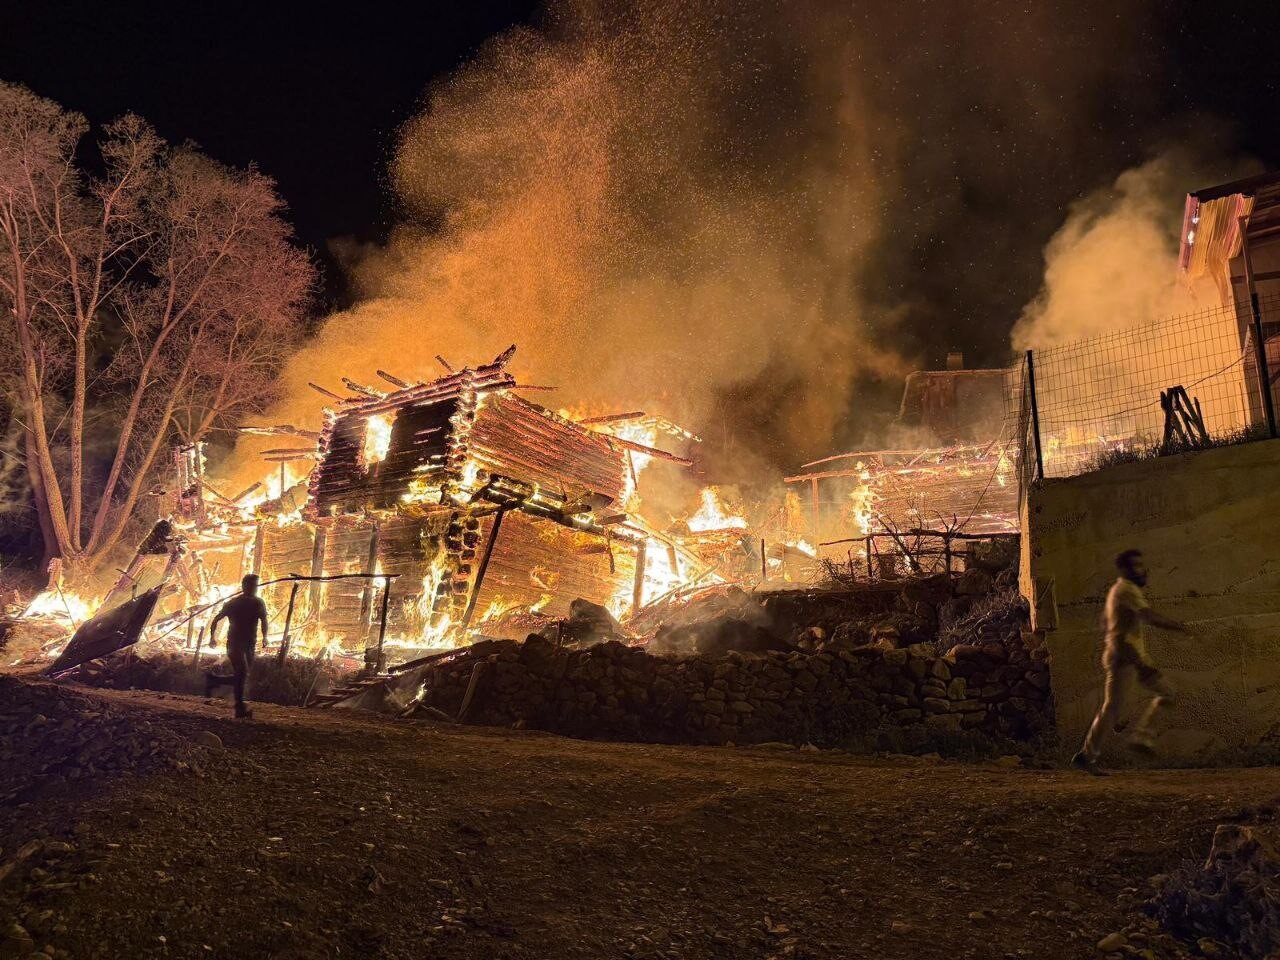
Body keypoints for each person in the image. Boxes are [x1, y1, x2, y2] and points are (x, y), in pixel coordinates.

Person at [1072, 549, 1188, 775]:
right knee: (1162, 695)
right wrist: (1177, 626)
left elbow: (1105, 624)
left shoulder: (1117, 590)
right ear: (1125, 569)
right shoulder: (1127, 589)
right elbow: (1148, 617)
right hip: (1125, 656)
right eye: (1136, 565)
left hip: (1124, 654)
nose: (1142, 570)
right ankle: (1137, 738)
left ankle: (1094, 753)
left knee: (1115, 707)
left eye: (1141, 565)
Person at [205, 574, 269, 718]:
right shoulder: (234, 603)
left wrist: (265, 637)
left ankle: (214, 680)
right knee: (243, 672)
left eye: (256, 586)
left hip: (250, 643)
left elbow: (264, 620)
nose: (254, 589)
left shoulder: (258, 603)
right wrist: (212, 638)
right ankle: (239, 708)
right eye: (252, 585)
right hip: (234, 643)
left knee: (242, 675)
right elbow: (216, 619)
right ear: (244, 586)